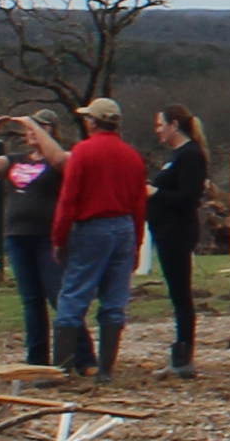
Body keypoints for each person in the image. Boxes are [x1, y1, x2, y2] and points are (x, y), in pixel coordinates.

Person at [50, 96, 153, 379]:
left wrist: (59, 237)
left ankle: (61, 369)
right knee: (115, 299)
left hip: (91, 227)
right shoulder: (132, 156)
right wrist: (137, 244)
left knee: (73, 295)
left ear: (93, 122)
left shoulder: (83, 152)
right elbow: (139, 204)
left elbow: (68, 198)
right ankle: (105, 370)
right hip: (124, 227)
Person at [0, 112, 67, 368]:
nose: (32, 132)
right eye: (30, 129)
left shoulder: (58, 160)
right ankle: (37, 359)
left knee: (58, 296)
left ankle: (77, 355)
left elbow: (61, 161)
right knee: (31, 301)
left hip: (47, 237)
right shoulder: (15, 160)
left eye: (40, 127)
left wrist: (34, 126)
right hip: (18, 236)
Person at [143, 103, 211, 379]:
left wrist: (154, 193)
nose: (157, 130)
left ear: (174, 125)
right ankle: (181, 355)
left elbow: (189, 198)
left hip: (177, 232)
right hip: (165, 231)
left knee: (181, 294)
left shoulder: (190, 155)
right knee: (177, 293)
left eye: (160, 124)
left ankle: (183, 358)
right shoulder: (178, 156)